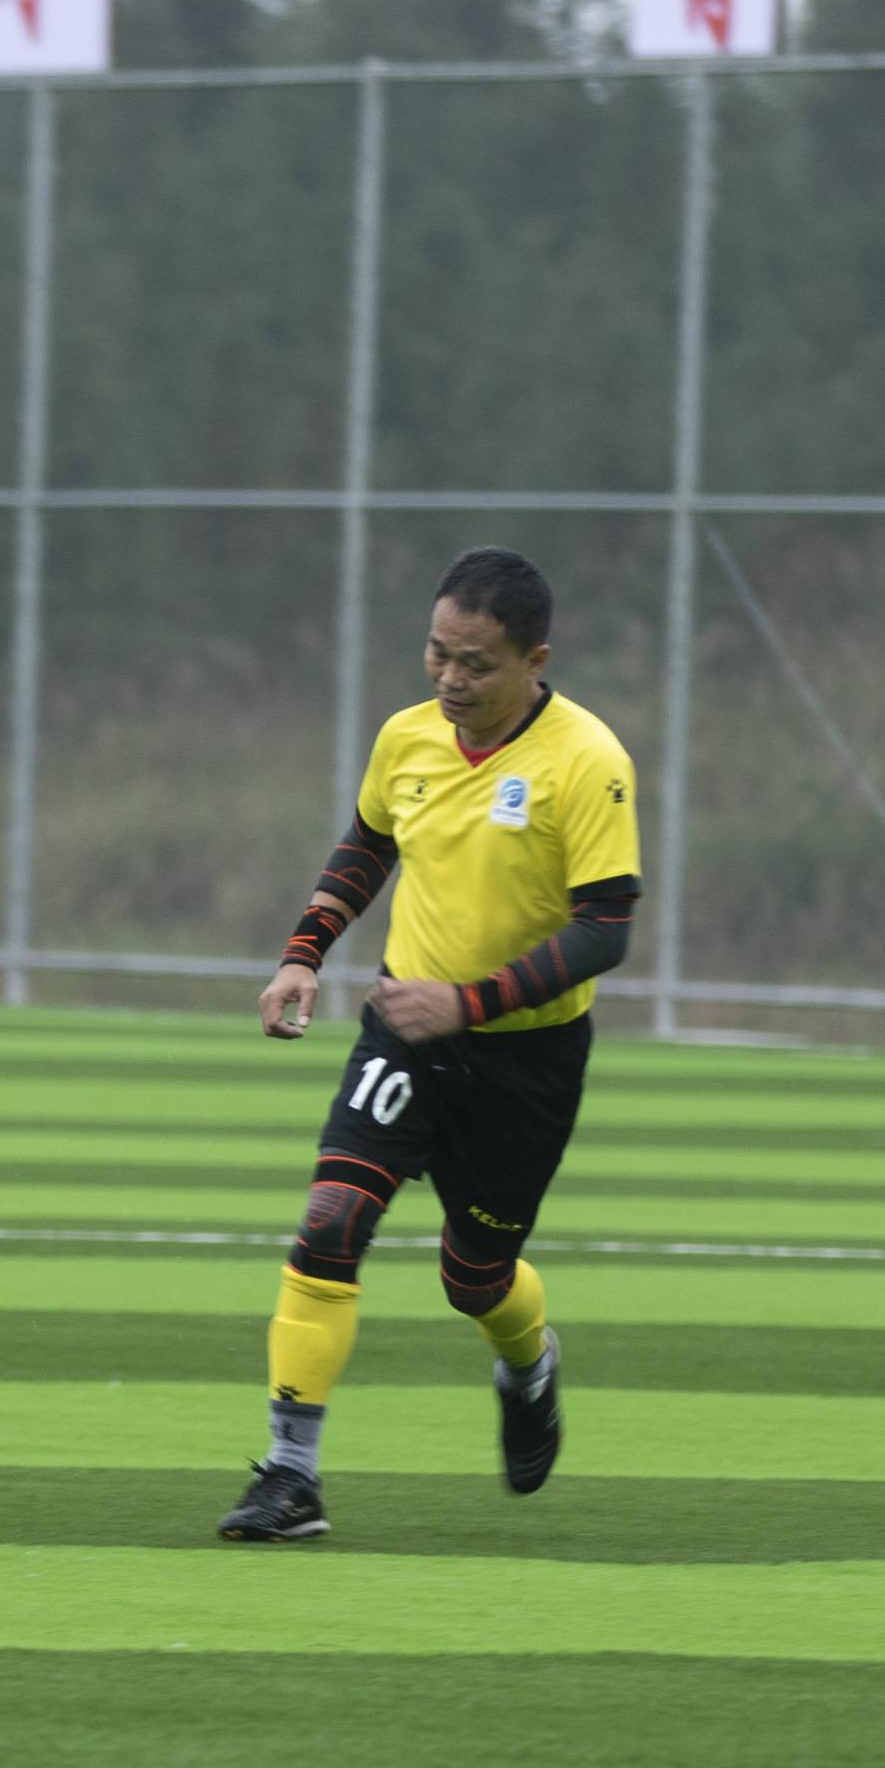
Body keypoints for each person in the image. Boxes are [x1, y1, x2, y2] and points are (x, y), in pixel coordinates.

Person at [218, 548, 639, 1543]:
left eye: (475, 664)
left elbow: (604, 930)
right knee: (330, 1221)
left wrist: (471, 1002)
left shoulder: (587, 760)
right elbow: (368, 844)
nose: (449, 678)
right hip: (406, 1032)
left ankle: (527, 1364)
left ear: (534, 661)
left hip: (526, 1061)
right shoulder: (406, 737)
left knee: (475, 1277)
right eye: (436, 653)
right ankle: (289, 1475)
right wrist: (303, 955)